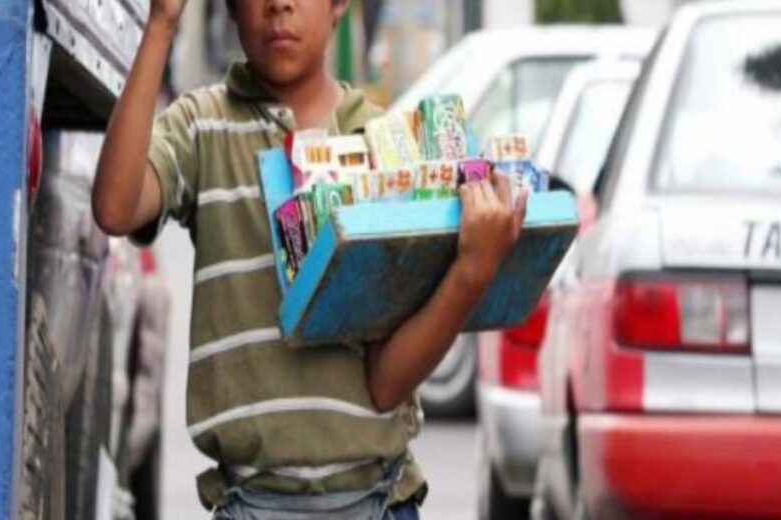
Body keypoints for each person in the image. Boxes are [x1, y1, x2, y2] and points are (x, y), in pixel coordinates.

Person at [92, 0, 528, 518]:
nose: (280, 5)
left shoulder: (385, 145)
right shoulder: (202, 127)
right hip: (250, 504)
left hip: (379, 502)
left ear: (338, 5)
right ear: (229, 7)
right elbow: (115, 208)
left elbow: (386, 384)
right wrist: (162, 24)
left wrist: (472, 272)